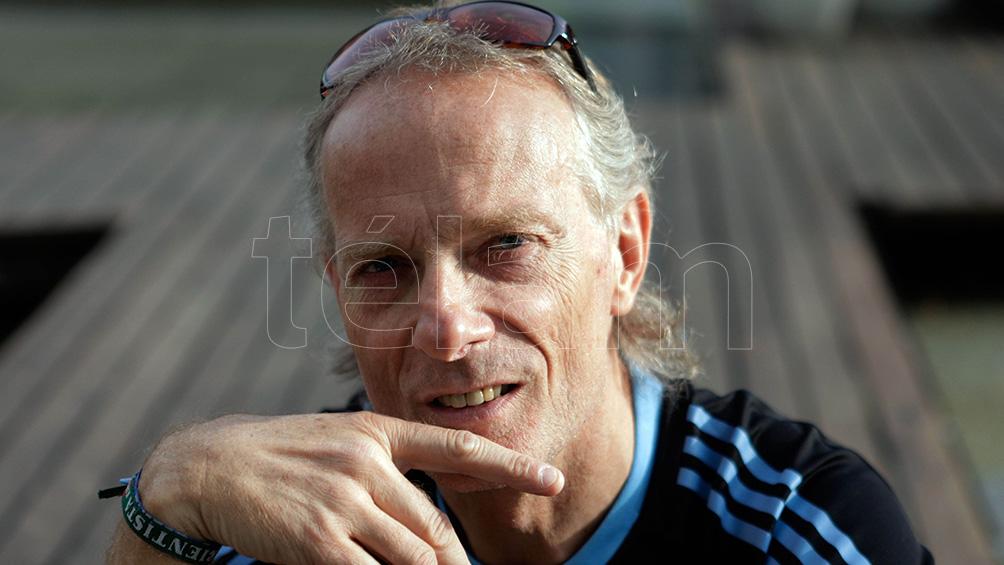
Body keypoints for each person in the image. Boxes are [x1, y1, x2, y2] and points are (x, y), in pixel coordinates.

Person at [105, 1, 933, 563]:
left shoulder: (794, 526)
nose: (446, 326)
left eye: (506, 244)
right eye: (382, 267)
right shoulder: (298, 519)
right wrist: (167, 500)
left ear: (625, 251)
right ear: (337, 288)